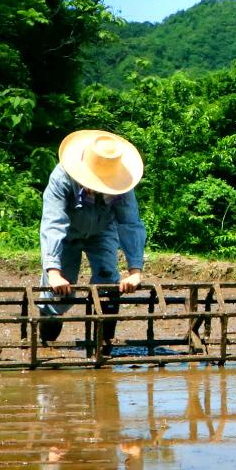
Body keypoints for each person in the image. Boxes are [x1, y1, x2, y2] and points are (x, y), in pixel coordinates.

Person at [38, 129, 147, 347]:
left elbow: (130, 223)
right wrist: (54, 272)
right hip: (68, 232)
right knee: (58, 293)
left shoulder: (122, 183)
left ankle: (104, 344)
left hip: (102, 230)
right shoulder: (62, 178)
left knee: (108, 282)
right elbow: (53, 223)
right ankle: (46, 342)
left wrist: (135, 271)